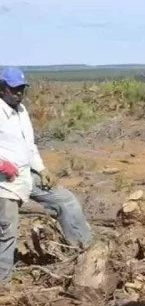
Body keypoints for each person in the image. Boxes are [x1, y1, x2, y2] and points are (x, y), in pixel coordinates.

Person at [0, 67, 92, 284]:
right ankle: (3, 284)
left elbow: (29, 146)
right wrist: (3, 164)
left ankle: (86, 251)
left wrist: (41, 169)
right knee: (7, 233)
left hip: (25, 175)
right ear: (2, 88)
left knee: (66, 201)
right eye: (14, 89)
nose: (19, 93)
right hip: (4, 183)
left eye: (22, 88)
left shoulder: (21, 111)